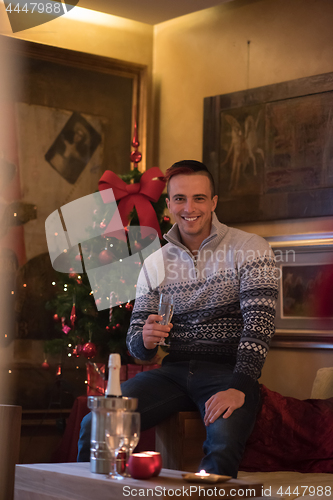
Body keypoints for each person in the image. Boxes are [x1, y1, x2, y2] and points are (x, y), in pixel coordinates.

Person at [77, 160, 278, 477]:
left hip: (226, 372)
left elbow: (260, 326)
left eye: (199, 198)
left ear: (213, 202)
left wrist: (240, 386)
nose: (190, 208)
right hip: (172, 372)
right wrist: (144, 340)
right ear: (168, 205)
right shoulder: (155, 260)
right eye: (180, 199)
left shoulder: (251, 248)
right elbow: (136, 344)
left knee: (223, 442)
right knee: (97, 423)